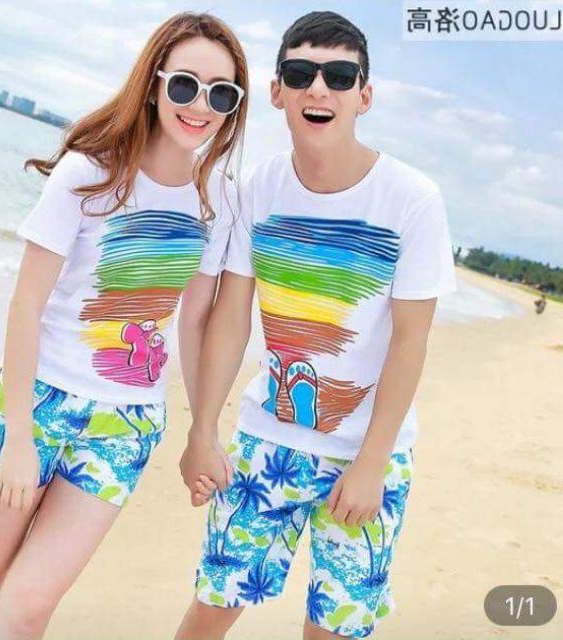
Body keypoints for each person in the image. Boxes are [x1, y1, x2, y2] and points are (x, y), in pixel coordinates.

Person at [0, 12, 246, 640]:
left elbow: (195, 320)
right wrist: (17, 435)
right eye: (186, 85)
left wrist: (203, 430)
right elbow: (26, 306)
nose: (200, 106)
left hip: (124, 424)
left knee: (28, 606)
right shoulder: (89, 172)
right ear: (155, 83)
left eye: (221, 94)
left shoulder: (218, 201)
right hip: (36, 399)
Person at [176, 11, 457, 640]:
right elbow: (231, 316)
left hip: (367, 455)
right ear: (278, 91)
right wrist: (203, 428)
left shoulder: (412, 199)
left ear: (365, 95)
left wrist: (372, 462)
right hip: (265, 442)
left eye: (339, 76)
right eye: (301, 73)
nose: (319, 89)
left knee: (332, 631)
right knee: (210, 610)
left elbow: (411, 340)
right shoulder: (259, 187)